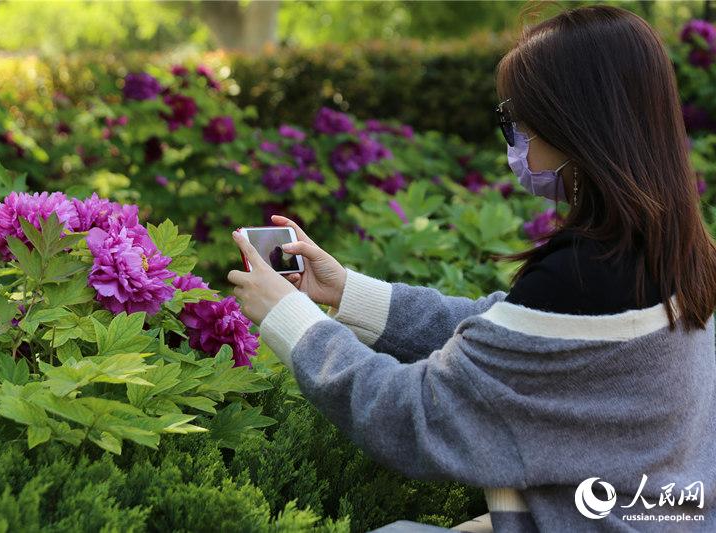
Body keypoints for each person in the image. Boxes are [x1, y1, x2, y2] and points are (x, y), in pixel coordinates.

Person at [227, 5, 716, 532]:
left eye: (516, 119)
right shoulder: (674, 254)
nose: (515, 137)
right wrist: (348, 291)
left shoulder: (579, 276)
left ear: (571, 124)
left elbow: (415, 415)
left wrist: (291, 319)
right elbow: (506, 330)